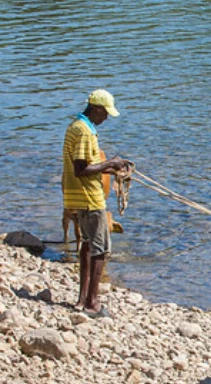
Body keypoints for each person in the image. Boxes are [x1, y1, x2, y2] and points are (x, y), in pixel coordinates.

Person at [62, 89, 132, 317]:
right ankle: (93, 303)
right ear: (96, 109)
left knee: (88, 245)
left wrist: (112, 168)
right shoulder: (84, 132)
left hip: (78, 196)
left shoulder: (78, 126)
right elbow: (81, 169)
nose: (107, 118)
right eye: (105, 113)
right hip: (89, 197)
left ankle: (82, 300)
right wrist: (110, 162)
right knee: (101, 248)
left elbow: (86, 165)